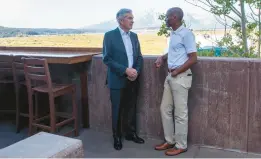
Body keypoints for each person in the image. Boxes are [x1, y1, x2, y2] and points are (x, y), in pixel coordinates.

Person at [154, 7, 197, 156]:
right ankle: (170, 140)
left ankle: (181, 145)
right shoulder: (173, 34)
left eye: (167, 17)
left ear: (174, 17)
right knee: (164, 109)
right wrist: (162, 57)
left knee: (180, 113)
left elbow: (193, 58)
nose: (165, 19)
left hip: (180, 77)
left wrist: (178, 71)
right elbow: (174, 51)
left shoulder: (186, 34)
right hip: (170, 77)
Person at [102, 8, 144, 150]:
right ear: (121, 20)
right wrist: (125, 70)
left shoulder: (134, 36)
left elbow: (139, 57)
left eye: (132, 18)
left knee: (131, 108)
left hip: (133, 79)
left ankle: (130, 134)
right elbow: (107, 58)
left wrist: (135, 72)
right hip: (117, 79)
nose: (132, 20)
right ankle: (117, 137)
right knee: (117, 110)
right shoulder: (109, 35)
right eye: (129, 18)